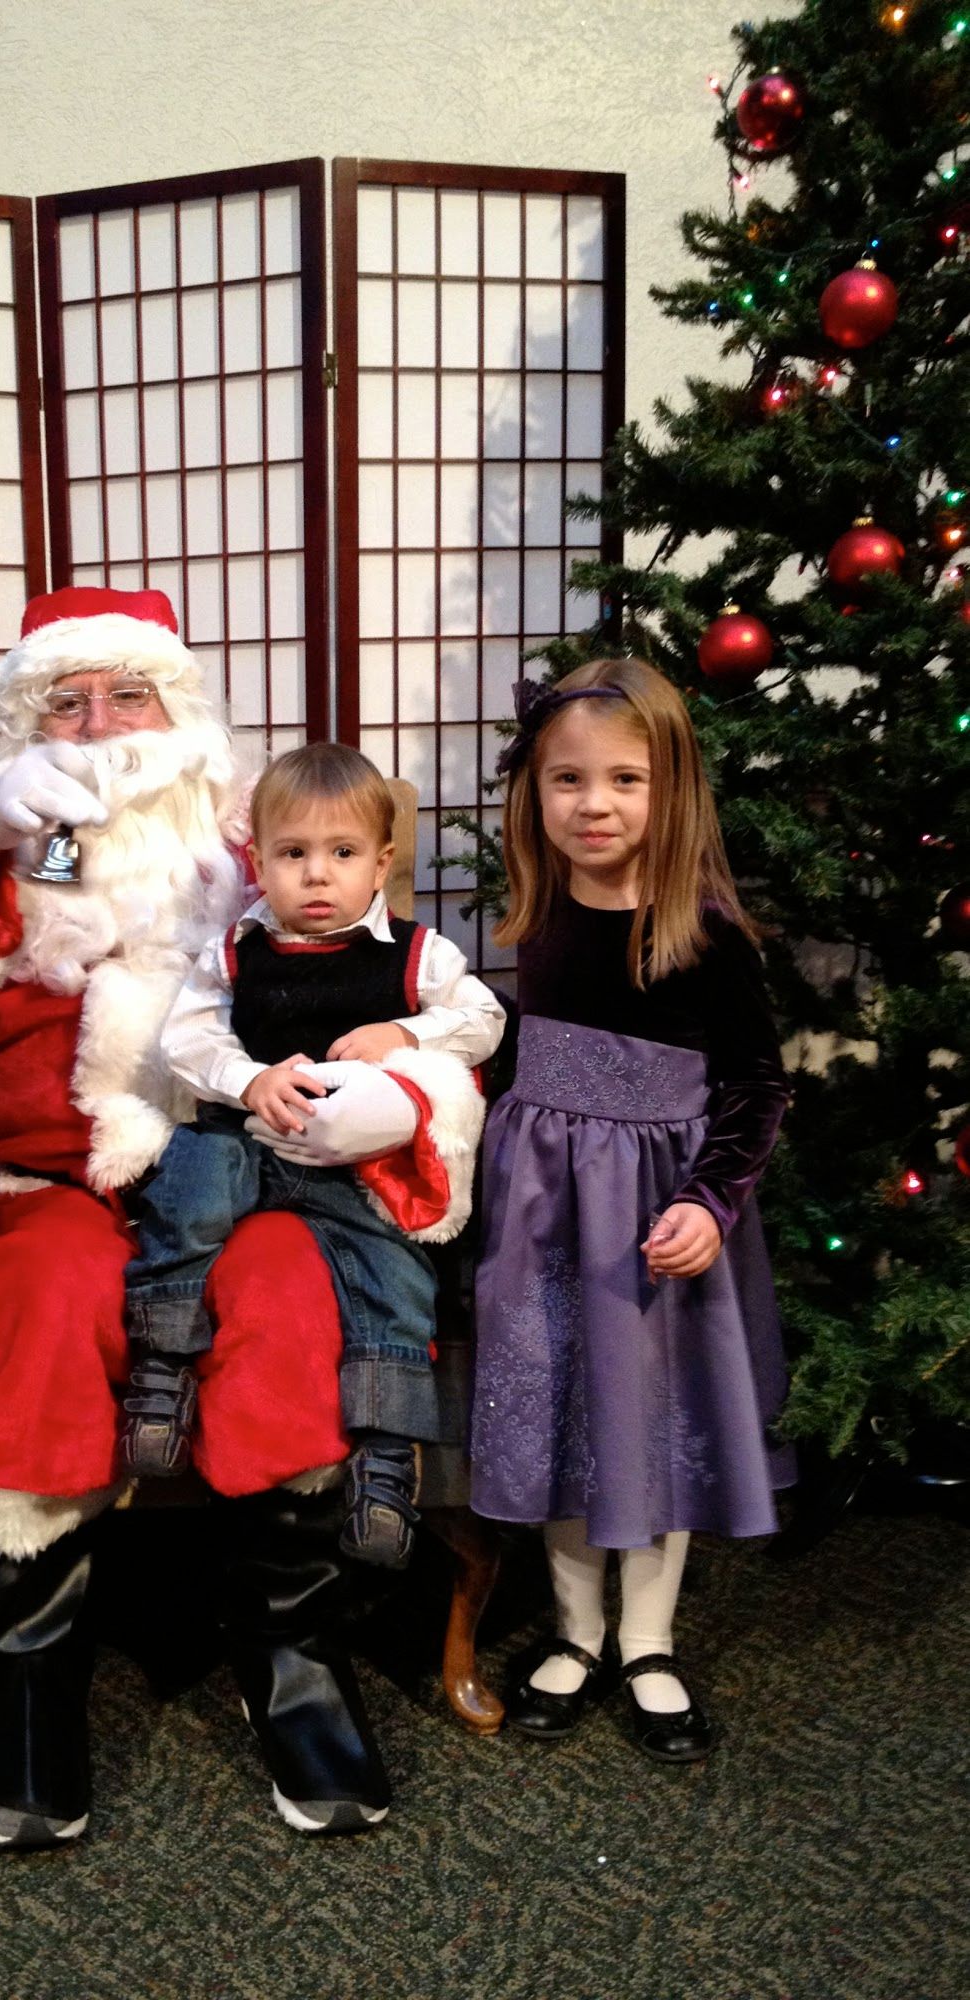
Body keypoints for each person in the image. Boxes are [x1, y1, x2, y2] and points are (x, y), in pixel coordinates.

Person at [0, 586, 478, 1845]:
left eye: (130, 693)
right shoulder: (6, 855)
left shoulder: (257, 846)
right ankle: (31, 1672)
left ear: (181, 710)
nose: (102, 724)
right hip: (58, 1183)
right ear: (26, 726)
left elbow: (413, 997)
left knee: (288, 1294)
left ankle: (292, 1653)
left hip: (257, 1172)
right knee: (37, 1301)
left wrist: (399, 1089)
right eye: (67, 701)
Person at [470, 659, 795, 1763]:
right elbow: (526, 1053)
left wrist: (709, 1201)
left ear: (673, 789)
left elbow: (757, 1087)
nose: (594, 804)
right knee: (563, 1409)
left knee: (647, 1421)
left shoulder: (704, 933)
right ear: (535, 790)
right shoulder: (541, 916)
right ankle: (579, 1629)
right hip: (544, 1217)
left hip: (656, 1224)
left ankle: (649, 1642)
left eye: (624, 779)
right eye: (568, 779)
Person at [120, 741, 504, 1574]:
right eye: (293, 854)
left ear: (382, 862)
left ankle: (387, 1457)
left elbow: (484, 1019)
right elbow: (187, 1039)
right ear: (259, 862)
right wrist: (249, 1080)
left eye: (343, 853)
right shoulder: (236, 947)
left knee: (395, 1277)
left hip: (353, 1166)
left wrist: (405, 1033)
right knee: (191, 1181)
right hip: (249, 1140)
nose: (318, 875)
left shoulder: (419, 954)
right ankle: (163, 1358)